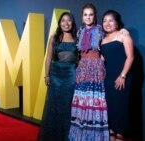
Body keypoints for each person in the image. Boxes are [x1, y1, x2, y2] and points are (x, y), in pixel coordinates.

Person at [68, 3, 109, 141]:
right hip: (83, 67)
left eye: (90, 14)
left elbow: (111, 35)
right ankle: (80, 134)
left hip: (95, 67)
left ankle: (93, 135)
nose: (88, 17)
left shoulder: (100, 29)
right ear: (82, 16)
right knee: (82, 99)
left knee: (93, 100)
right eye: (85, 14)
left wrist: (123, 31)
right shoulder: (79, 31)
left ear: (95, 16)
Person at [38, 12, 77, 141]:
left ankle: (68, 136)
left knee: (68, 105)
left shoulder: (77, 37)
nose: (66, 23)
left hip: (71, 74)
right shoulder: (54, 37)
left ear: (72, 22)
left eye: (69, 20)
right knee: (54, 105)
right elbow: (49, 57)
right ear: (60, 23)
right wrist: (46, 75)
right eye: (63, 21)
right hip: (55, 74)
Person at [101, 10, 134, 141]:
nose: (107, 23)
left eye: (111, 20)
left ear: (117, 22)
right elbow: (102, 60)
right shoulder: (102, 40)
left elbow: (130, 57)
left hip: (121, 78)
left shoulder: (123, 35)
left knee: (120, 108)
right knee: (110, 109)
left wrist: (123, 76)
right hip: (107, 79)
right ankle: (111, 135)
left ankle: (119, 136)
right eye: (104, 21)